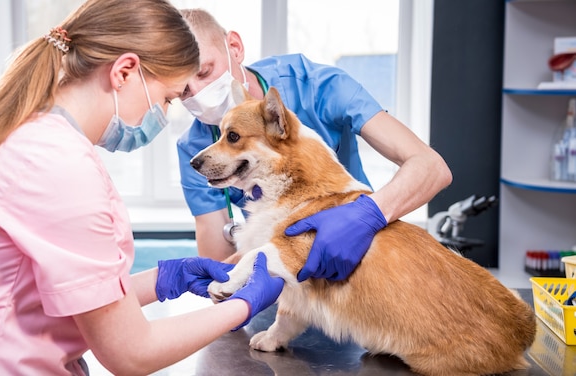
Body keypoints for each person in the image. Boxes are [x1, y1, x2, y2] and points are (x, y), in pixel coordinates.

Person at [0, 1, 283, 375]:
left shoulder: (33, 140)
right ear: (124, 72)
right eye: (168, 98)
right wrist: (245, 304)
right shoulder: (58, 165)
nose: (162, 113)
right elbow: (132, 352)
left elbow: (60, 293)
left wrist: (164, 279)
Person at [177, 9, 453, 281]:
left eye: (204, 71)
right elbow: (218, 272)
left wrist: (365, 216)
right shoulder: (196, 150)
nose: (200, 94)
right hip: (284, 269)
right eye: (184, 91)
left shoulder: (317, 87)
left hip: (362, 254)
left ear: (234, 47)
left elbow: (432, 167)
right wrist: (251, 266)